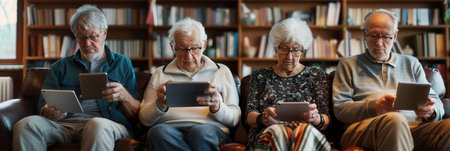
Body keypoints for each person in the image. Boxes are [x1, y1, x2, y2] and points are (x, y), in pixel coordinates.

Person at [12, 5, 140, 151]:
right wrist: (48, 111)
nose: (87, 44)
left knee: (97, 125)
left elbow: (136, 113)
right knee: (25, 125)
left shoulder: (122, 63)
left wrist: (124, 96)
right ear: (75, 36)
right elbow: (43, 106)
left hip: (107, 123)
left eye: (93, 36)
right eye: (81, 37)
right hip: (64, 125)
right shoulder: (60, 67)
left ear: (104, 33)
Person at [333, 9, 450, 151]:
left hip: (413, 127)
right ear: (365, 35)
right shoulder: (347, 65)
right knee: (394, 119)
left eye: (386, 37)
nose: (379, 43)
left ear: (394, 37)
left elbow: (435, 101)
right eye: (373, 35)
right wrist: (375, 106)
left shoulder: (411, 63)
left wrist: (431, 111)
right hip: (363, 129)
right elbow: (340, 109)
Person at [139, 18, 240, 151]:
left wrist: (217, 107)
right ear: (172, 47)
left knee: (199, 133)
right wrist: (160, 104)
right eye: (181, 49)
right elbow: (144, 119)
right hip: (169, 131)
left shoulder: (222, 71)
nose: (189, 56)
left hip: (209, 130)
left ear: (204, 45)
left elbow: (235, 118)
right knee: (157, 132)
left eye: (194, 48)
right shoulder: (160, 73)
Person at [246, 18, 331, 151]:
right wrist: (264, 119)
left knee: (303, 132)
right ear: (275, 48)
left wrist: (315, 118)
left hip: (306, 131)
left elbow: (326, 118)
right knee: (278, 132)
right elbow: (249, 116)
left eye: (296, 50)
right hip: (270, 131)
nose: (290, 57)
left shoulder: (316, 75)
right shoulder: (260, 75)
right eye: (284, 49)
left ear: (303, 50)